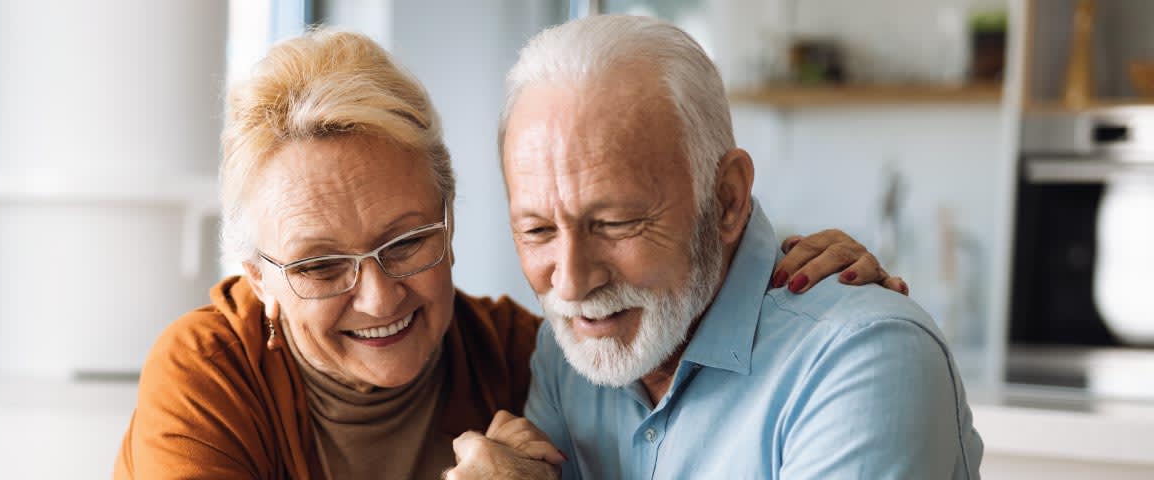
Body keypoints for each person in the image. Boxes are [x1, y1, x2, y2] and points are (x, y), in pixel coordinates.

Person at [113, 28, 901, 480]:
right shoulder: (208, 373)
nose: (380, 298)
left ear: (449, 221)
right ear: (259, 278)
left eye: (407, 241)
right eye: (320, 266)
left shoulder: (532, 359)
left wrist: (763, 268)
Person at [445, 15, 983, 480]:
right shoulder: (570, 357)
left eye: (614, 223)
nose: (571, 282)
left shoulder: (862, 357)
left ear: (726, 199)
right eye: (537, 230)